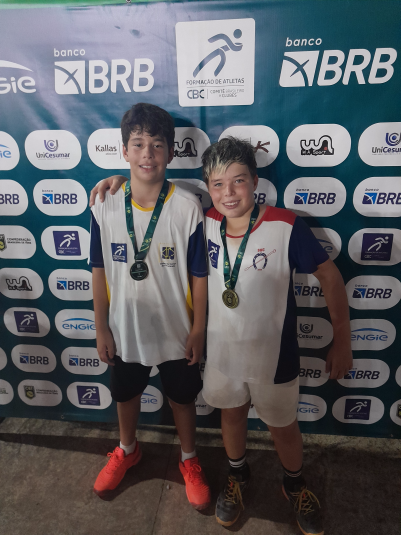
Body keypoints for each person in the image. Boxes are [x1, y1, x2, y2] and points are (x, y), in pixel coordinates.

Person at [90, 137, 352, 535]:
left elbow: (330, 278)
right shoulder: (206, 221)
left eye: (238, 181)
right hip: (223, 354)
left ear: (256, 181)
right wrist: (120, 180)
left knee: (283, 426)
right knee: (232, 415)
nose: (228, 193)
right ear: (209, 189)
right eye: (217, 184)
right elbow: (150, 198)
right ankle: (237, 474)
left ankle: (295, 484)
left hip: (274, 357)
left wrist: (342, 341)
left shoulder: (286, 226)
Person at [89, 102, 210, 510]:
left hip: (177, 330)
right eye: (138, 144)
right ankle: (127, 449)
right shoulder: (103, 204)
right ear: (124, 151)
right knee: (125, 394)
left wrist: (198, 329)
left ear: (171, 153)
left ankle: (189, 458)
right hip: (125, 328)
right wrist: (101, 327)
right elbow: (99, 270)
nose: (147, 154)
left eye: (157, 145)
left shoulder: (188, 208)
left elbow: (199, 276)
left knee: (183, 398)